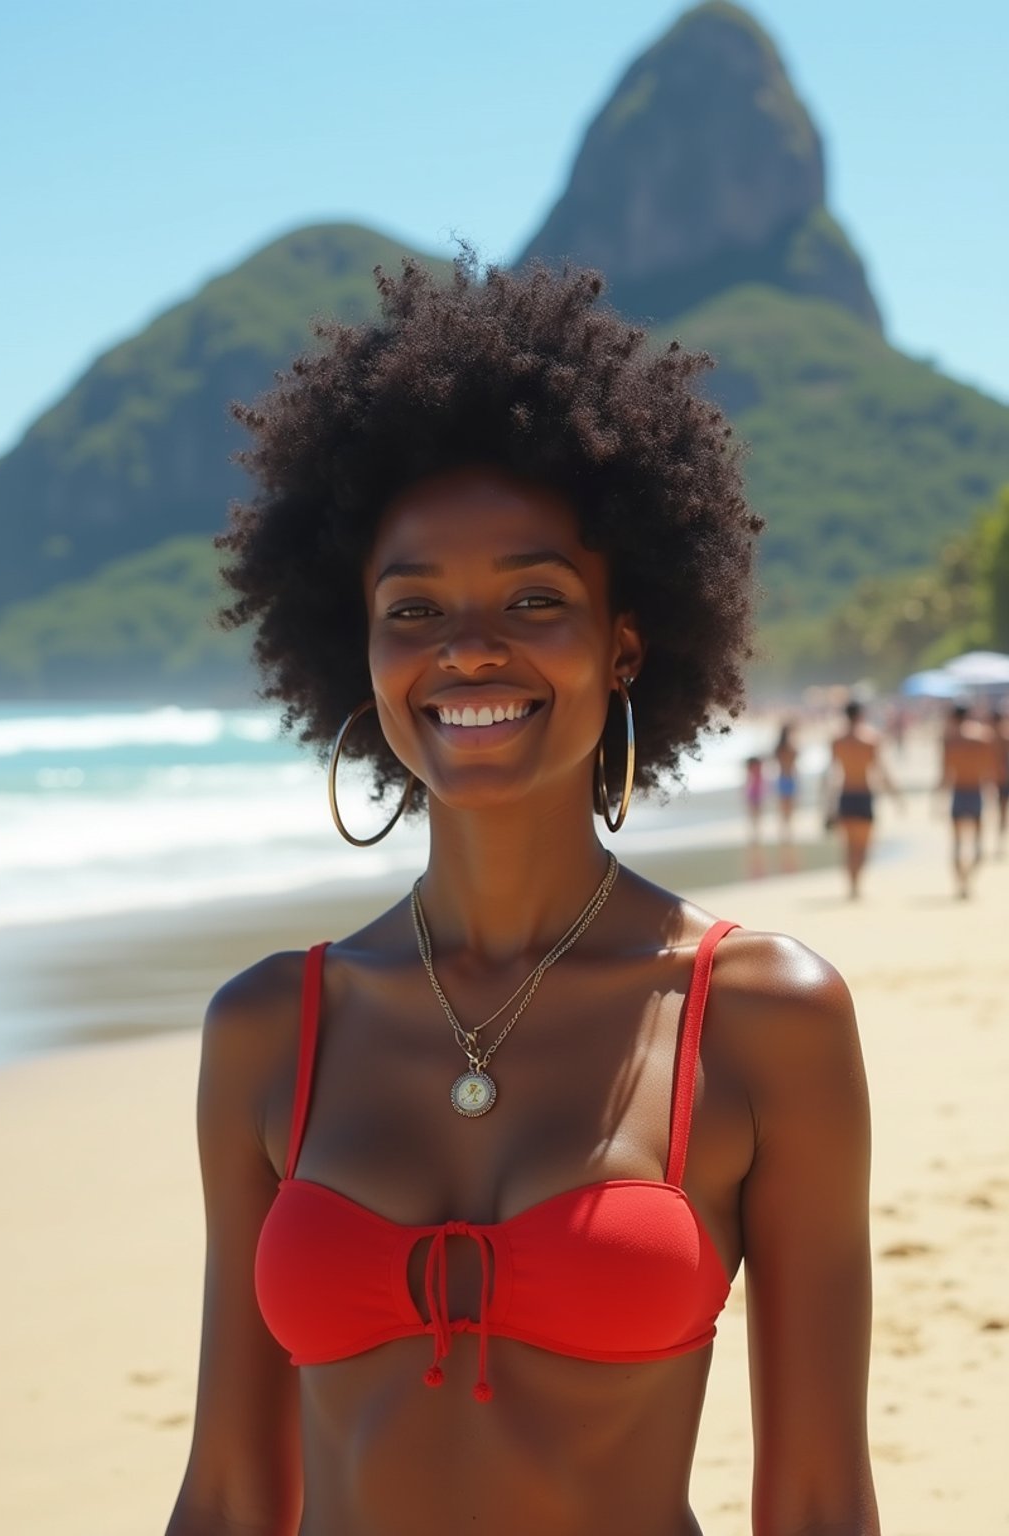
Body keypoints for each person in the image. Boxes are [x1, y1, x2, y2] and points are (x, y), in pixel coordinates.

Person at [165, 258, 879, 1536]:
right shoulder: (270, 1029)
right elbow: (225, 1494)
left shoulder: (764, 1019)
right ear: (360, 651)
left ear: (624, 644)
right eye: (413, 608)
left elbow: (820, 1501)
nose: (466, 649)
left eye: (533, 598)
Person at [828, 699, 898, 899]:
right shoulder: (871, 739)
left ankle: (852, 886)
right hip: (864, 794)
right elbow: (881, 770)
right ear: (861, 715)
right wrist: (895, 796)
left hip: (845, 794)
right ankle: (856, 885)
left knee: (848, 846)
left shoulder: (837, 740)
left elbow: (832, 774)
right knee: (864, 845)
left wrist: (829, 803)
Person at [941, 703, 997, 897]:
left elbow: (945, 773)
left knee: (957, 843)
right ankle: (969, 880)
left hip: (958, 791)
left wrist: (937, 799)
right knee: (978, 843)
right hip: (976, 791)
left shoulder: (950, 740)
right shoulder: (983, 737)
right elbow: (990, 768)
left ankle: (961, 883)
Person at [772, 720, 799, 869]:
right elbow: (795, 759)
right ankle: (788, 832)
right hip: (790, 778)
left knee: (784, 807)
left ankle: (784, 832)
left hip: (782, 778)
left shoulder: (779, 748)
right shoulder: (790, 747)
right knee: (790, 808)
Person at [990, 705, 1009, 857]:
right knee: (1001, 814)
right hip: (1001, 782)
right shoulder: (993, 739)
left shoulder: (999, 738)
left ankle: (1000, 844)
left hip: (1002, 781)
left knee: (1001, 814)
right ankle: (1000, 844)